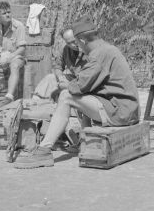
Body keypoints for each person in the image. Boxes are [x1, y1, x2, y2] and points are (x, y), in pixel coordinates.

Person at [14, 17, 140, 169]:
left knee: (67, 97)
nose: (78, 47)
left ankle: (44, 150)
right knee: (78, 97)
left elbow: (79, 86)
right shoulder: (107, 49)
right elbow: (86, 85)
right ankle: (82, 141)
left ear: (82, 40)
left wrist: (64, 86)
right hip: (125, 109)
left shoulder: (99, 55)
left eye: (77, 42)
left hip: (120, 111)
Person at [31, 28, 87, 102]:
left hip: (85, 82)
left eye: (74, 41)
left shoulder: (88, 49)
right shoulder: (65, 49)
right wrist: (60, 78)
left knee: (61, 88)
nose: (72, 45)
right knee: (50, 78)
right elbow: (58, 66)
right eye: (69, 43)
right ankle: (36, 103)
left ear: (79, 37)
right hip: (73, 79)